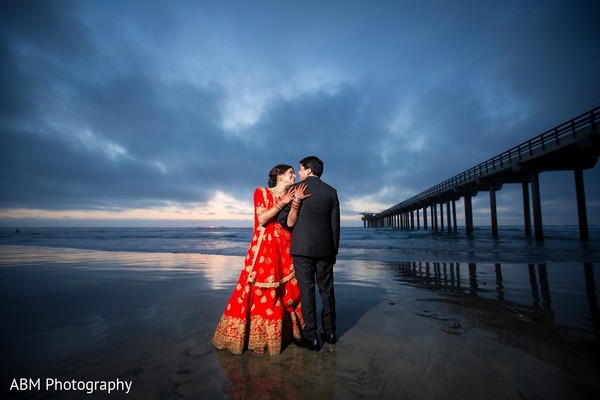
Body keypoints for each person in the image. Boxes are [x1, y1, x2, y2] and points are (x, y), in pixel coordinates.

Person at [212, 165, 308, 355]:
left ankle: (286, 333)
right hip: (265, 248)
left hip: (285, 246)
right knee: (262, 290)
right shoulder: (261, 192)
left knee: (288, 289)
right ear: (279, 176)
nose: (294, 175)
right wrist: (284, 201)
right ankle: (260, 338)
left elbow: (290, 223)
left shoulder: (291, 194)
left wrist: (296, 201)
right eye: (290, 173)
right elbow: (263, 218)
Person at [278, 156, 340, 351]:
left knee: (307, 291)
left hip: (302, 248)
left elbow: (283, 220)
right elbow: (335, 226)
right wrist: (334, 251)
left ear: (308, 170)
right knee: (327, 291)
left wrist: (298, 232)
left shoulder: (294, 190)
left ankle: (311, 337)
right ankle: (330, 333)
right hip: (325, 249)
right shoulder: (331, 192)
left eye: (300, 169)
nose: (298, 173)